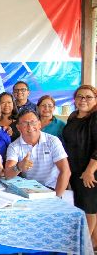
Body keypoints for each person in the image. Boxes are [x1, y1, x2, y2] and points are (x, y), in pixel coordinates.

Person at [5, 109, 71, 197]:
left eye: (33, 122)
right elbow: (8, 174)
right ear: (18, 127)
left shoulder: (52, 141)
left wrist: (56, 197)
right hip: (29, 191)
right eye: (25, 123)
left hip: (51, 189)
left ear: (39, 124)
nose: (29, 126)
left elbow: (65, 171)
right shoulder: (14, 146)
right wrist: (19, 166)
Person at [62, 85, 97, 247]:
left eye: (88, 97)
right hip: (75, 170)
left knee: (88, 208)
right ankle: (94, 245)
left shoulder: (95, 118)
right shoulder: (73, 117)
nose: (83, 100)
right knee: (81, 204)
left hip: (89, 172)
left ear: (95, 99)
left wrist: (90, 170)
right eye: (80, 96)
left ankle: (83, 247)